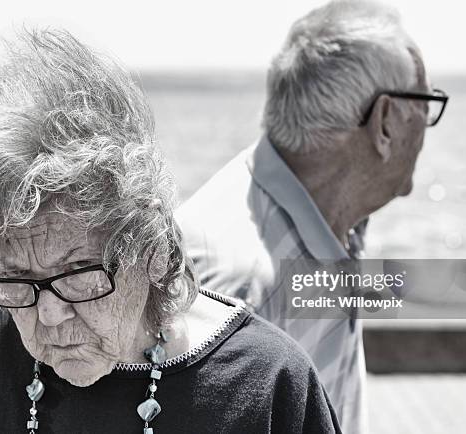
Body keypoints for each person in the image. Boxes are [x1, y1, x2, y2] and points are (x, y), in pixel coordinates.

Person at [0, 30, 341, 434]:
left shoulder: (268, 384)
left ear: (153, 249)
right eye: (15, 276)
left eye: (78, 273)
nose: (47, 315)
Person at [176, 1, 449, 433]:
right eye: (426, 102)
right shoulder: (243, 285)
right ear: (385, 123)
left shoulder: (332, 215)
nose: (428, 122)